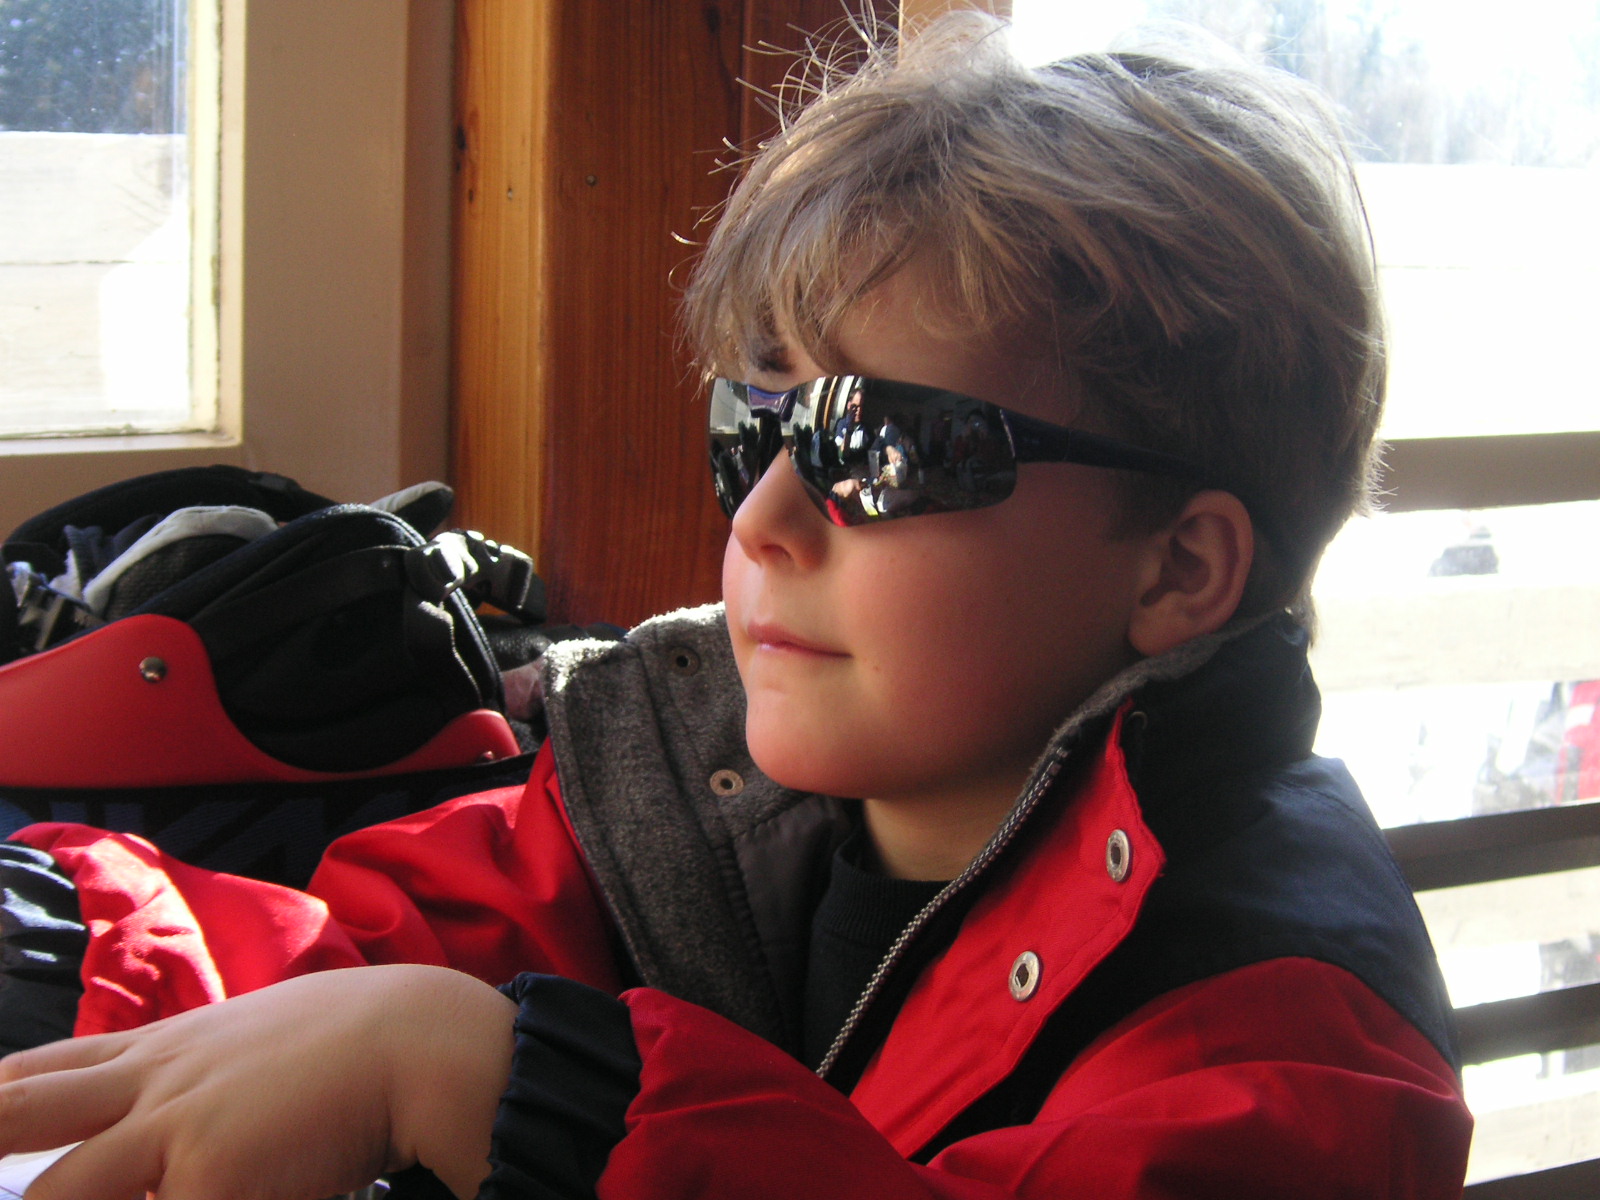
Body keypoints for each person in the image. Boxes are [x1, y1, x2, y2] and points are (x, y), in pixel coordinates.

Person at [0, 13, 1473, 1200]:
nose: (762, 517)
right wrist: (63, 941)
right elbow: (348, 962)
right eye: (755, 425)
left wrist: (527, 1099)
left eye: (878, 449)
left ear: (1177, 569)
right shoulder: (705, 782)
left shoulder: (1287, 1048)